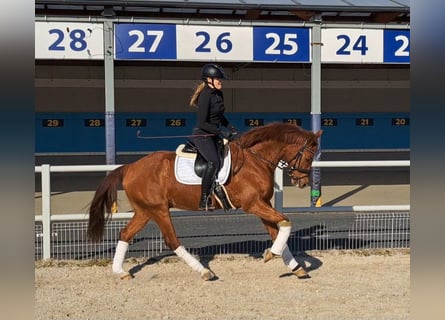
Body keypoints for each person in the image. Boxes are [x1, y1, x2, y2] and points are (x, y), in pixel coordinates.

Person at [189, 63, 238, 211]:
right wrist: (221, 133)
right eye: (218, 79)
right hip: (203, 135)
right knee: (214, 161)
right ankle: (204, 199)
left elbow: (220, 116)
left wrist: (231, 127)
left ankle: (219, 187)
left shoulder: (218, 94)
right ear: (209, 80)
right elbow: (203, 123)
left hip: (214, 135)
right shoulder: (205, 96)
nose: (220, 81)